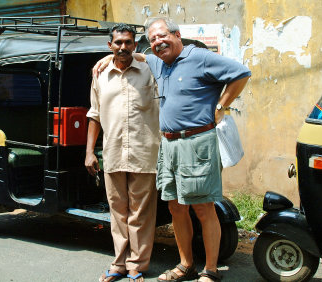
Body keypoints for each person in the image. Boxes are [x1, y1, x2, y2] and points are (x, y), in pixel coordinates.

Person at [94, 17, 251, 282]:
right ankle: (186, 265)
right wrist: (105, 60)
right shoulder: (157, 61)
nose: (157, 42)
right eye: (153, 39)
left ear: (177, 35)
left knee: (203, 207)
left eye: (162, 36)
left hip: (197, 142)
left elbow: (242, 73)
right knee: (176, 207)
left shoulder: (200, 57)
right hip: (168, 144)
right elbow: (135, 56)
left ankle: (210, 270)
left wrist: (221, 105)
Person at [85, 23, 160, 282]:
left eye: (128, 42)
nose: (123, 47)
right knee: (117, 212)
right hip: (113, 152)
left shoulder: (150, 71)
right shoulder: (100, 75)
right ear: (110, 46)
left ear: (135, 45)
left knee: (140, 213)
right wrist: (89, 152)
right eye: (118, 43)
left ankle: (136, 266)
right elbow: (94, 114)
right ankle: (118, 264)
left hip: (144, 151)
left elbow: (163, 55)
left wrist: (139, 56)